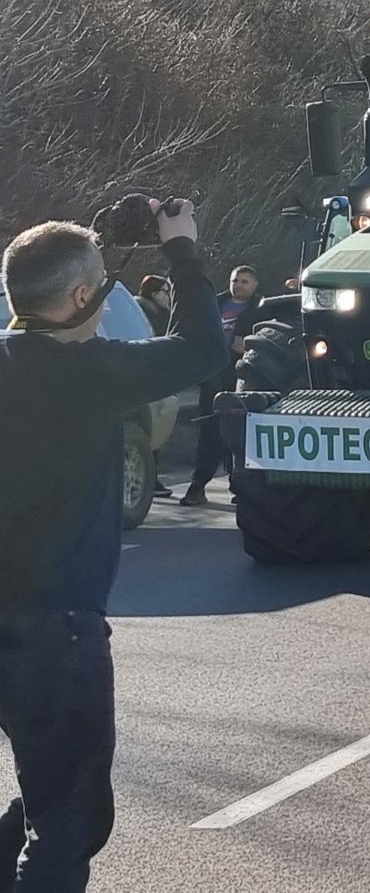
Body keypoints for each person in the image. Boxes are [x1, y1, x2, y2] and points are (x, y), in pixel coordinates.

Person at [0, 201, 226, 889]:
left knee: (48, 799)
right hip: (55, 634)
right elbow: (204, 349)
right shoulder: (92, 375)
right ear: (78, 296)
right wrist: (181, 248)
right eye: (102, 279)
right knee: (71, 821)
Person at [181, 265, 259, 506]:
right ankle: (198, 486)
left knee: (239, 432)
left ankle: (239, 486)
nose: (239, 285)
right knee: (210, 431)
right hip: (214, 373)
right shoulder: (216, 304)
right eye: (236, 280)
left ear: (255, 285)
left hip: (244, 376)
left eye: (245, 281)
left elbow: (274, 336)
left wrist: (250, 345)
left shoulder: (262, 308)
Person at [133, 276, 177, 499]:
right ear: (153, 293)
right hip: (150, 379)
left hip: (148, 376)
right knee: (152, 430)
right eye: (164, 291)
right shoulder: (149, 313)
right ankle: (150, 480)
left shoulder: (140, 309)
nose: (168, 296)